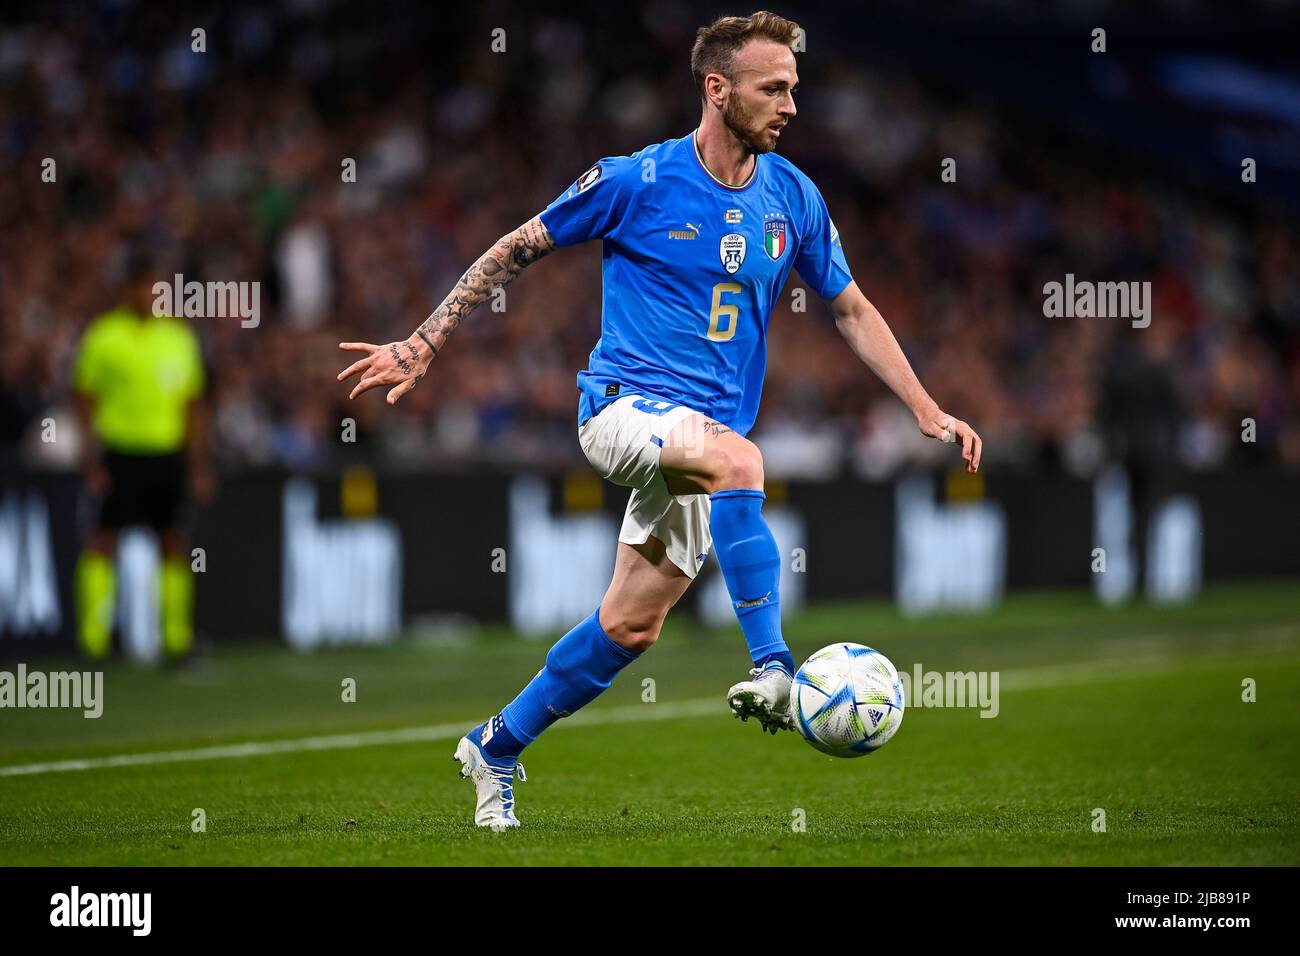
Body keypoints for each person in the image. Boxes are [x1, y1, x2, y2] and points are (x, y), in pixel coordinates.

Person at [337, 10, 981, 829]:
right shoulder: (635, 180)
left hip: (696, 443)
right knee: (743, 464)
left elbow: (849, 308)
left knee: (631, 626)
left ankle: (494, 746)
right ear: (718, 90)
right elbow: (515, 246)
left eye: (794, 87)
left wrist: (926, 409)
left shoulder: (794, 196)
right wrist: (426, 341)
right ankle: (776, 667)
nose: (790, 105)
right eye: (772, 88)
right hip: (620, 410)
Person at [73, 256, 213, 661]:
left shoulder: (179, 338)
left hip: (166, 456)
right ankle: (94, 641)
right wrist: (90, 458)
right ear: (127, 289)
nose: (149, 295)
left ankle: (175, 640)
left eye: (155, 287)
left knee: (172, 541)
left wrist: (198, 462)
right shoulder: (103, 336)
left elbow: (193, 405)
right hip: (119, 454)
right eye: (142, 286)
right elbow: (84, 398)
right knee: (102, 541)